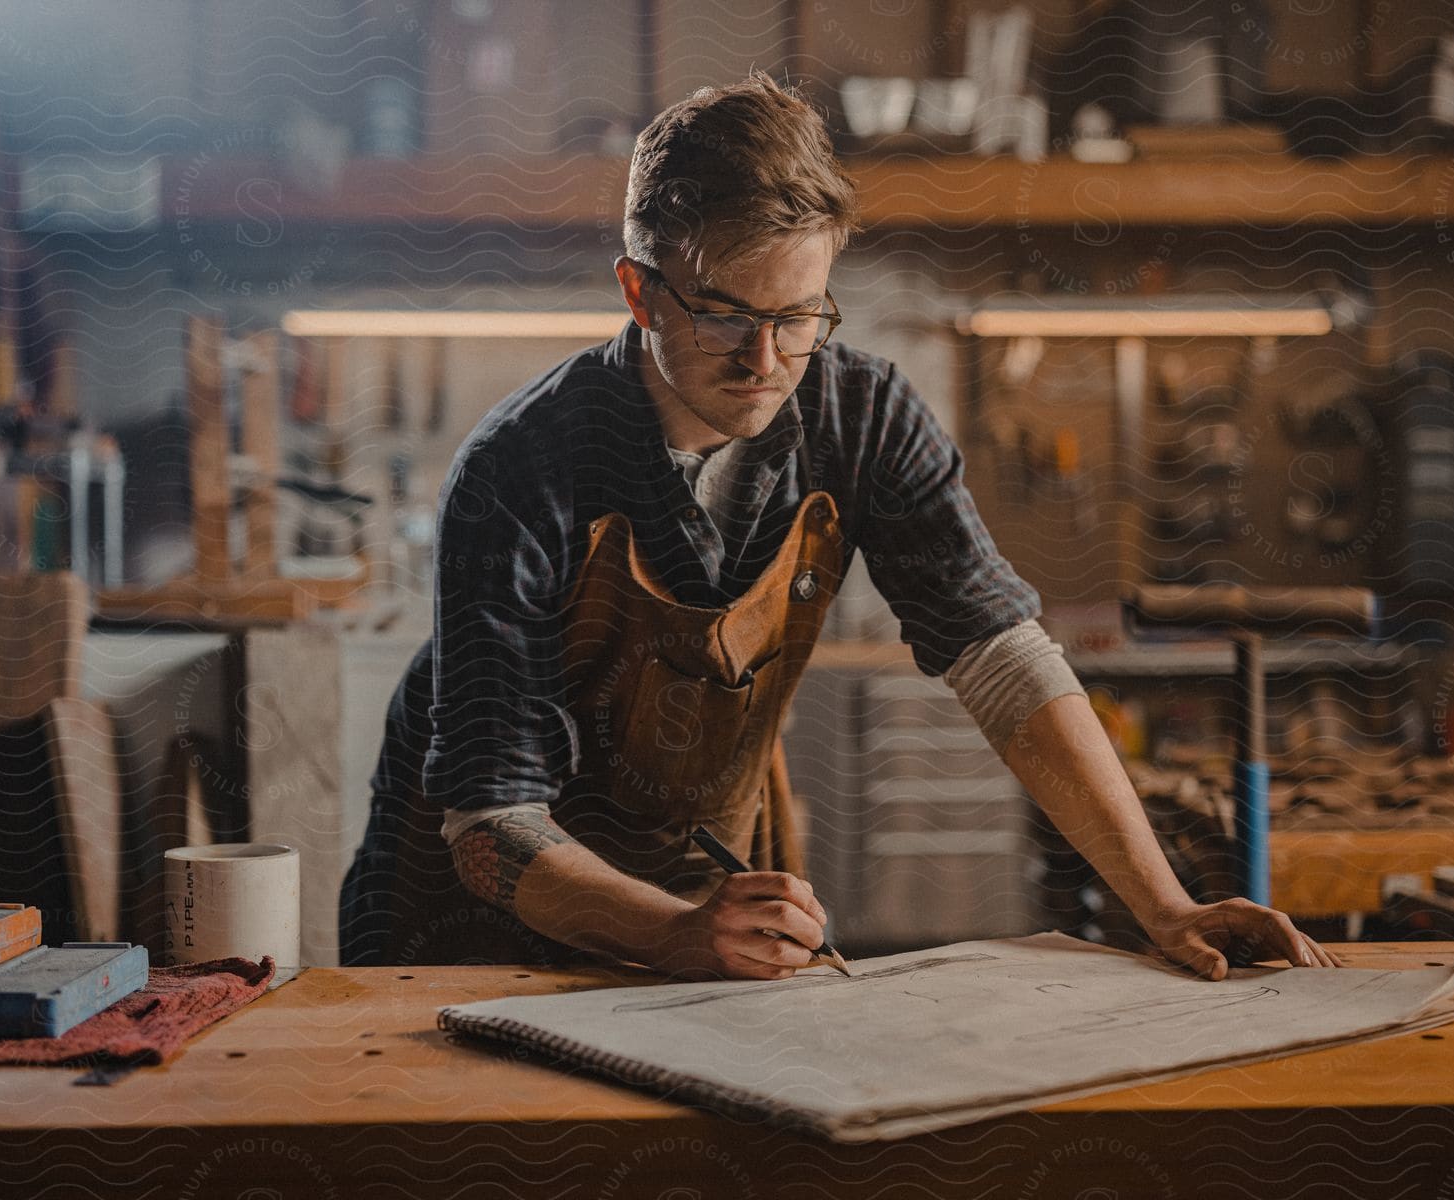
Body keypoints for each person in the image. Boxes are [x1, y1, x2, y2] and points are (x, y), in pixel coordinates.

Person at [339, 74, 1337, 980]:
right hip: (476, 922)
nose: (767, 360)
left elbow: (999, 657)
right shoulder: (519, 466)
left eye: (802, 316)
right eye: (727, 316)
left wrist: (1162, 904)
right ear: (639, 291)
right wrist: (671, 933)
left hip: (705, 892)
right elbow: (488, 822)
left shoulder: (860, 415)